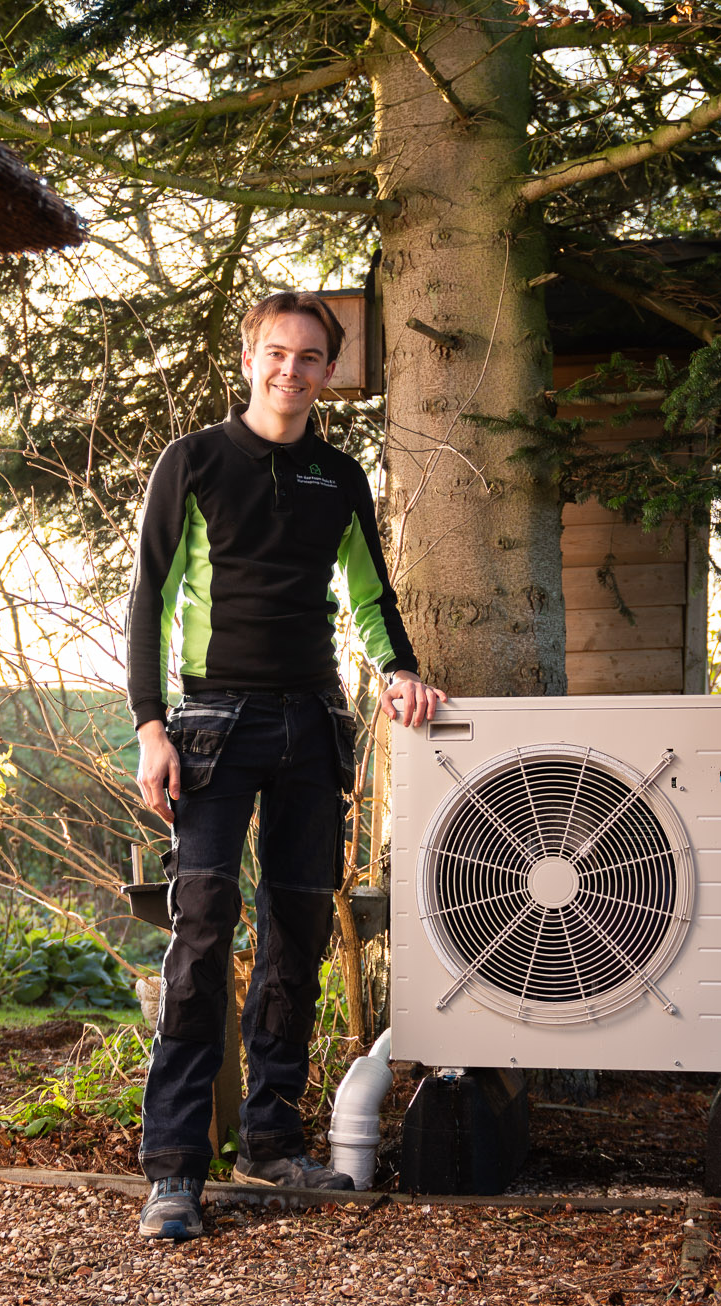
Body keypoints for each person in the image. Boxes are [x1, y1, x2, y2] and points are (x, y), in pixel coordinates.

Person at [124, 291, 446, 1240]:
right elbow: (147, 597)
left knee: (298, 936)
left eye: (311, 357)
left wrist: (401, 674)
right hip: (213, 725)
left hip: (314, 724)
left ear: (329, 373)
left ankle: (272, 1141)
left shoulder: (341, 478)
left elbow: (371, 595)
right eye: (276, 353)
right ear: (249, 358)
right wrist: (150, 725)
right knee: (202, 936)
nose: (291, 371)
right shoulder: (193, 464)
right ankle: (176, 1169)